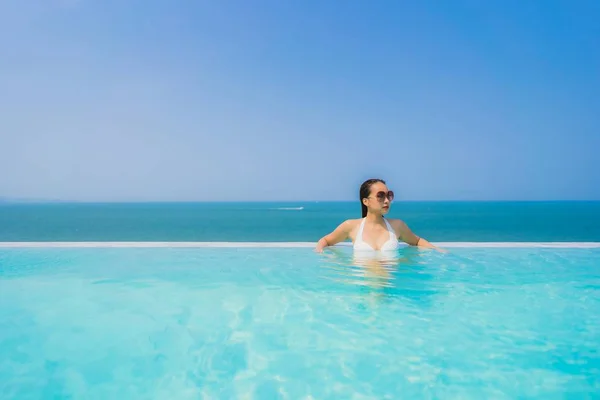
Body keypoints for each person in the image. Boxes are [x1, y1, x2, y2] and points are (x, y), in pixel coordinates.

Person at [315, 178, 443, 253]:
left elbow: (417, 241)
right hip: (361, 287)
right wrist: (319, 253)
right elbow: (326, 240)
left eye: (389, 195)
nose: (387, 200)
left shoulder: (397, 226)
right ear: (366, 201)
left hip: (391, 288)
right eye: (380, 196)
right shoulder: (351, 226)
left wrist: (439, 251)